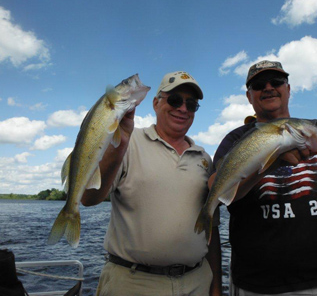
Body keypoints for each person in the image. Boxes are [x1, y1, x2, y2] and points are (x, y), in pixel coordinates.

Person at [212, 60, 317, 296]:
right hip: (260, 286)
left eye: (277, 81)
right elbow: (216, 191)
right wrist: (271, 162)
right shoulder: (237, 140)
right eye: (259, 85)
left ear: (288, 89)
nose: (268, 87)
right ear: (249, 96)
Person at [81, 71, 222, 296]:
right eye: (175, 100)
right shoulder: (125, 139)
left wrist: (215, 285)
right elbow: (88, 198)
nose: (183, 108)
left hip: (198, 281)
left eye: (191, 104)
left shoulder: (205, 159)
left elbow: (211, 228)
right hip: (133, 284)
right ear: (156, 103)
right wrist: (121, 143)